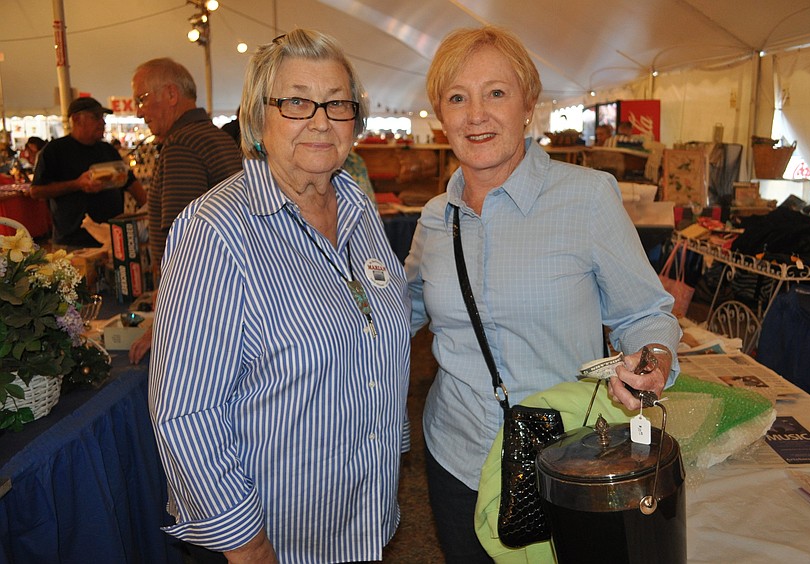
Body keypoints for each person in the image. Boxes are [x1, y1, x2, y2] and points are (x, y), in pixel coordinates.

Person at [405, 26, 682, 562]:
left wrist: (652, 359)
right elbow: (401, 311)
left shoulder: (587, 198)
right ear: (440, 115)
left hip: (563, 457)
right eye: (457, 98)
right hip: (456, 455)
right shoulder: (437, 218)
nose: (476, 115)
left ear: (528, 105)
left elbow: (646, 312)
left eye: (496, 93)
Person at [147, 29, 411, 562]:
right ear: (256, 119)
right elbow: (185, 412)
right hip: (278, 538)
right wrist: (248, 547)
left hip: (363, 516)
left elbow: (376, 336)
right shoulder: (217, 230)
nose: (320, 120)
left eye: (337, 103)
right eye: (296, 101)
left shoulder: (357, 207)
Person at [127, 58, 243, 364]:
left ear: (170, 94)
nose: (138, 112)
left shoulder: (182, 144)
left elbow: (182, 247)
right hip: (227, 299)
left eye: (142, 99)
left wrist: (162, 326)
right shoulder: (215, 137)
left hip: (204, 311)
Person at [30, 97, 147, 248]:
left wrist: (148, 212)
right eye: (96, 117)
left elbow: (130, 182)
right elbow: (36, 191)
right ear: (76, 119)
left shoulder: (108, 150)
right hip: (72, 242)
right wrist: (77, 184)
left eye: (102, 117)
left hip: (113, 238)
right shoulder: (55, 150)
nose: (102, 122)